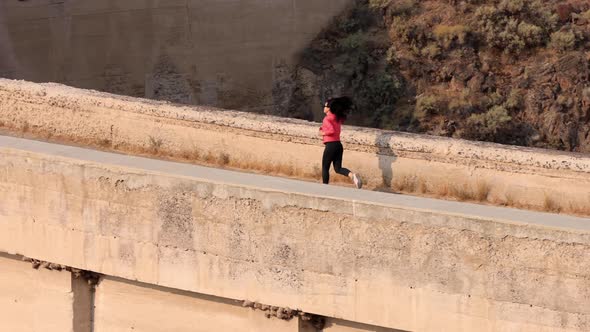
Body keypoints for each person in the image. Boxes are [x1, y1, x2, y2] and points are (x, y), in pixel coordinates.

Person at [319, 97, 362, 189]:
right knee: (338, 168)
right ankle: (352, 176)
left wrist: (323, 133)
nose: (324, 107)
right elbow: (334, 128)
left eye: (325, 106)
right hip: (338, 145)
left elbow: (331, 130)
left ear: (329, 108)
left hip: (330, 145)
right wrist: (322, 129)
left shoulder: (327, 119)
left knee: (325, 167)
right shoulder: (337, 118)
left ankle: (324, 187)